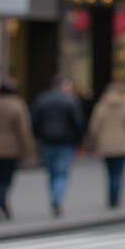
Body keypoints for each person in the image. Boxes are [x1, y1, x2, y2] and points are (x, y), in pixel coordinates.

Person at [0, 78, 36, 221]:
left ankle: (1, 203)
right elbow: (23, 131)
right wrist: (29, 151)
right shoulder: (18, 106)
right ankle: (0, 202)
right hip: (11, 149)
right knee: (7, 178)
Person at [31, 75, 86, 217]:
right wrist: (79, 141)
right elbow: (78, 123)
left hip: (47, 141)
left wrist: (37, 137)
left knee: (52, 173)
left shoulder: (42, 99)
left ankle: (54, 198)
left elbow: (35, 120)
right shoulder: (70, 101)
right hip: (65, 142)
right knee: (61, 173)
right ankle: (57, 199)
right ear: (63, 86)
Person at [86, 82, 125, 209]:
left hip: (105, 145)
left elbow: (94, 127)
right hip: (123, 145)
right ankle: (115, 199)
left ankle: (111, 198)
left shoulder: (101, 106)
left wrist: (95, 140)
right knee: (119, 173)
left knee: (110, 173)